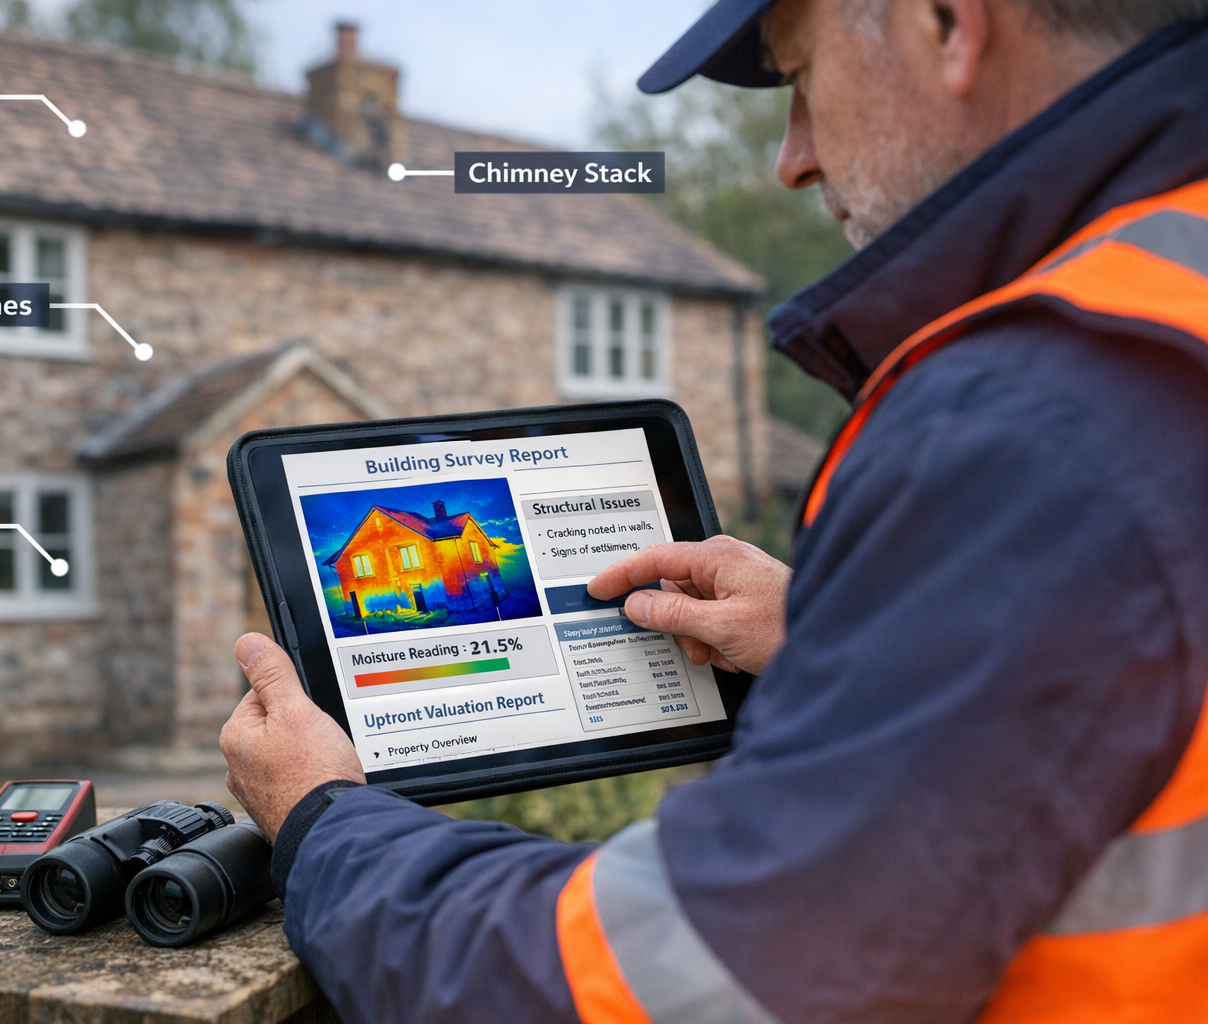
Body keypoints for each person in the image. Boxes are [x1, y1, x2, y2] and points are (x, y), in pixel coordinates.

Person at [219, 0, 1208, 1019]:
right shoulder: (1169, 304)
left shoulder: (1035, 411)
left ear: (949, 22)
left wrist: (325, 822)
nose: (793, 158)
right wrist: (861, 638)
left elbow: (673, 984)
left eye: (800, 77)